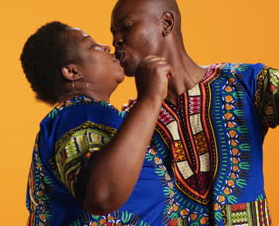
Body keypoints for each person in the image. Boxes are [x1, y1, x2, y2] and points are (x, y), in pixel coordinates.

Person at [110, 0, 279, 225]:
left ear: (167, 23)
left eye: (126, 27)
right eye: (112, 33)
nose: (116, 40)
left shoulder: (243, 82)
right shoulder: (132, 124)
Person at [21, 21, 174, 225]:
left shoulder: (87, 117)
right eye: (92, 45)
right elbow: (102, 195)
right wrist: (150, 98)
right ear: (72, 72)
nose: (107, 47)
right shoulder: (82, 114)